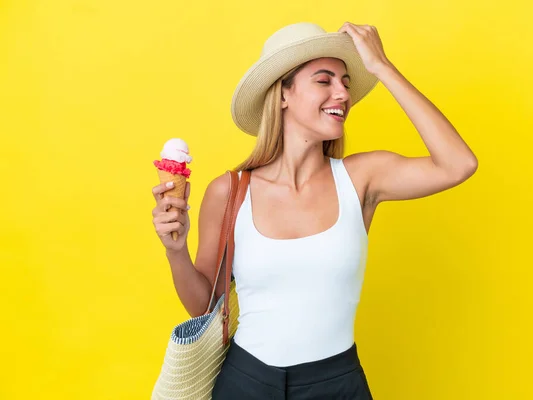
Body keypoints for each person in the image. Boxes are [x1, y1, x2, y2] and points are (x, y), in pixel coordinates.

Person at [151, 22, 478, 399]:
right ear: (283, 94)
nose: (342, 93)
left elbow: (458, 164)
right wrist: (175, 250)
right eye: (324, 81)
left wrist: (382, 67)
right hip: (245, 383)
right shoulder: (230, 191)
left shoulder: (360, 179)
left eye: (346, 82)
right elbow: (202, 307)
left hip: (337, 384)